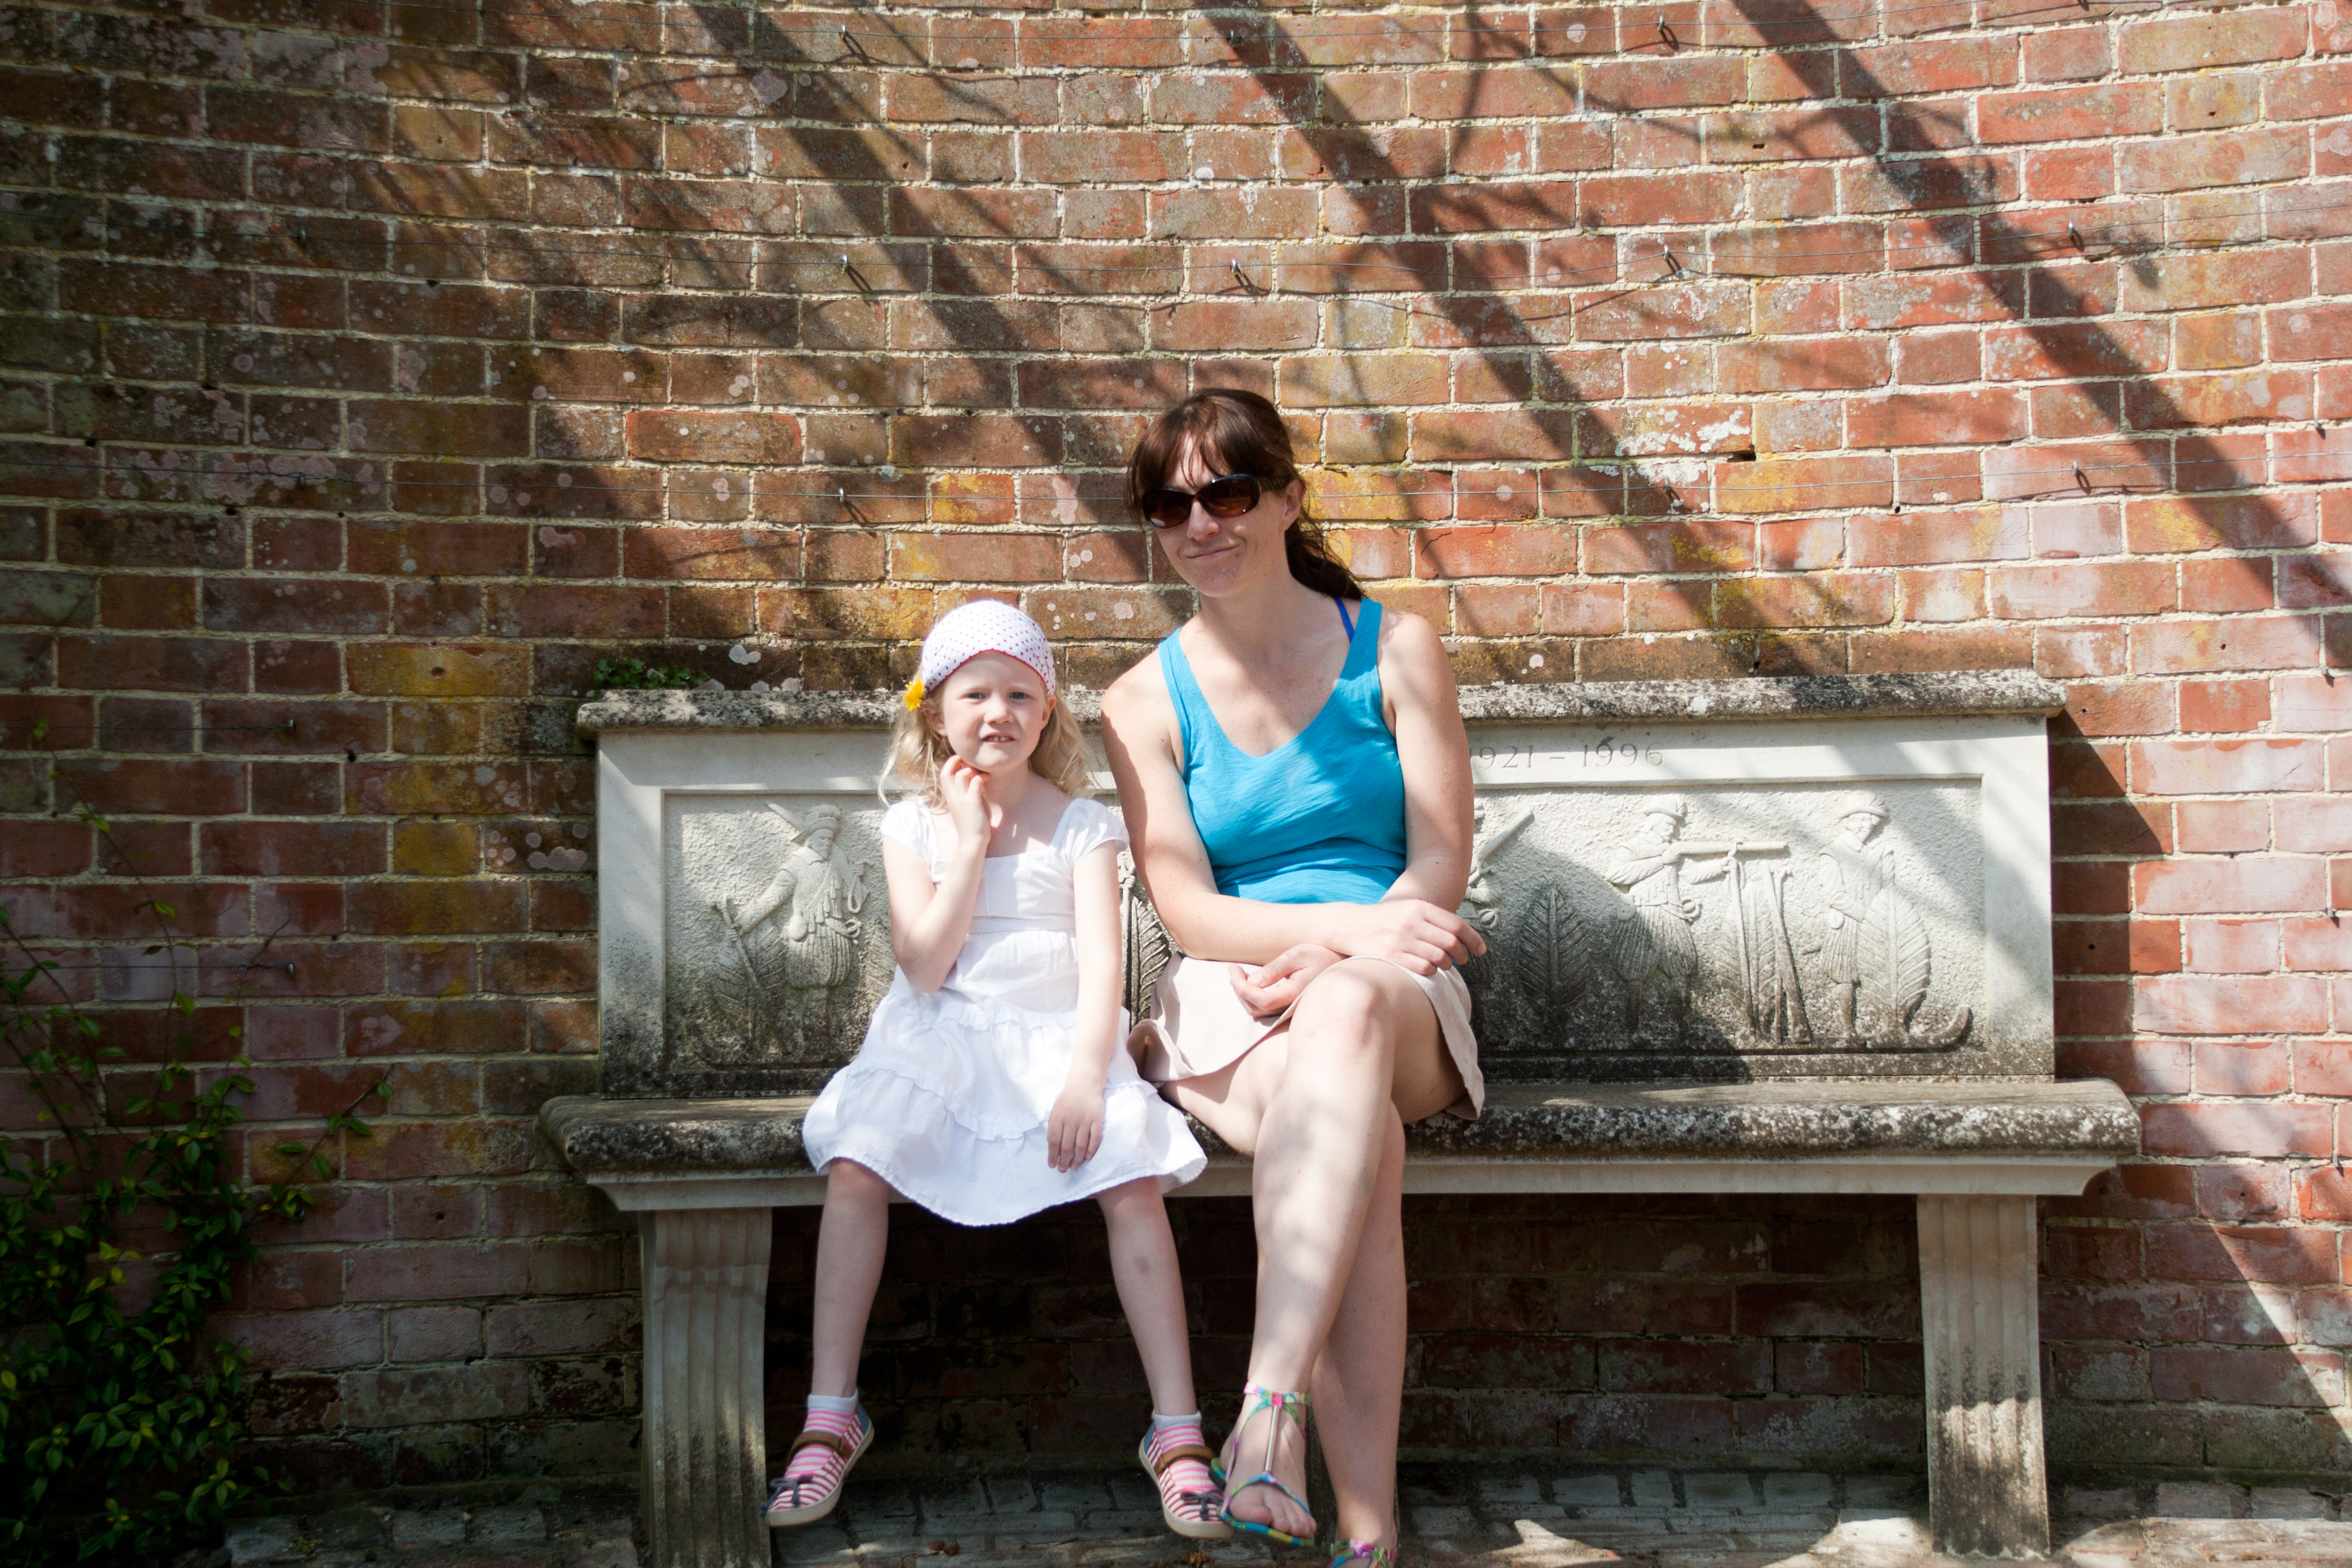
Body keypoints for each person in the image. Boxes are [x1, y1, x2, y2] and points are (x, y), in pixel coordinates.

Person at [1100, 390, 1488, 1568]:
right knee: (1360, 1139)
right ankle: (1366, 1539)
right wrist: (1335, 934)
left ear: (1286, 499)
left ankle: (1269, 1410)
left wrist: (1348, 947)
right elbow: (1187, 910)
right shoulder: (1141, 700)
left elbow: (1440, 859)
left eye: (1226, 493)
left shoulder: (1397, 649)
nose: (1199, 524)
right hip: (1236, 991)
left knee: (1351, 1008)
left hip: (1393, 980)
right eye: (1170, 505)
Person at [768, 599, 1221, 1540]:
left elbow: (1102, 969)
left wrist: (1086, 1078)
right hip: (939, 1035)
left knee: (1131, 1178)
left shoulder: (1083, 826)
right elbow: (926, 966)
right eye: (975, 694)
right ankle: (830, 1414)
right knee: (858, 1165)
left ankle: (1178, 1433)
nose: (998, 712)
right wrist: (970, 842)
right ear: (937, 714)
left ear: (1048, 713)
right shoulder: (915, 827)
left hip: (1061, 1037)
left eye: (1020, 694)